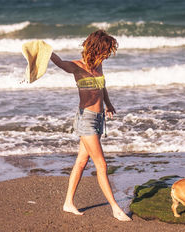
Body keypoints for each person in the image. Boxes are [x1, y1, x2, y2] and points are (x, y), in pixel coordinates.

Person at [50, 30, 131, 221]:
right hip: (85, 119)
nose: (106, 55)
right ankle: (115, 208)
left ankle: (68, 203)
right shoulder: (77, 67)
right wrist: (46, 51)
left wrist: (109, 104)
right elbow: (60, 63)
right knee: (101, 165)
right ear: (96, 48)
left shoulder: (99, 65)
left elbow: (102, 87)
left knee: (81, 161)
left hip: (98, 118)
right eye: (105, 51)